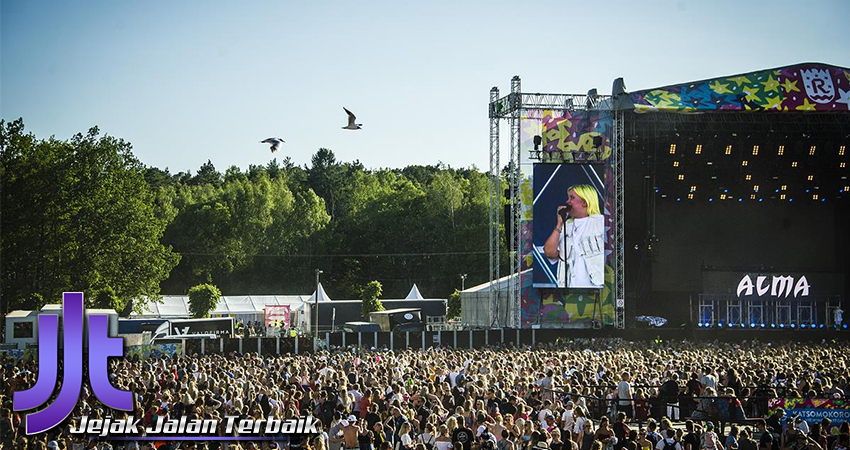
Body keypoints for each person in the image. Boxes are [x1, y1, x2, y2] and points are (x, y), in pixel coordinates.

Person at [543, 184, 605, 288]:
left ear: (585, 202)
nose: (568, 201)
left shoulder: (601, 222)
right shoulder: (567, 226)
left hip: (596, 290)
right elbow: (549, 252)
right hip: (570, 291)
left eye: (572, 198)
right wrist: (559, 224)